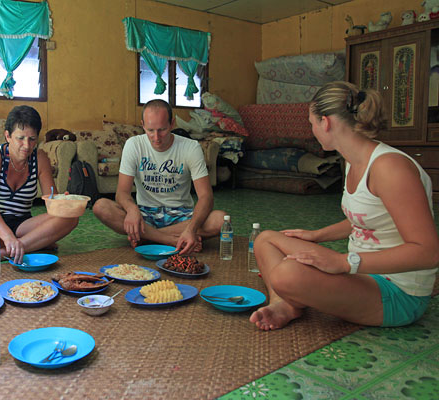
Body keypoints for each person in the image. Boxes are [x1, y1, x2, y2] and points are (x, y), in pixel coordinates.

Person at [249, 81, 439, 331]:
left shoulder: (390, 168)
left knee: (287, 274)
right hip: (358, 273)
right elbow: (368, 219)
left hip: (397, 292)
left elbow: (428, 253)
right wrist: (317, 236)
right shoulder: (353, 160)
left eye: (311, 123)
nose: (313, 130)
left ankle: (289, 298)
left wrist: (346, 262)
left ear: (325, 122)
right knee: (265, 240)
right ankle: (285, 304)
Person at [92, 99, 225, 254]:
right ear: (142, 125)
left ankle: (147, 237)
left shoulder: (191, 147)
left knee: (221, 220)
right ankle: (172, 240)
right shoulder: (133, 145)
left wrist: (191, 228)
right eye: (150, 130)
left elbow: (206, 197)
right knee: (101, 206)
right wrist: (132, 209)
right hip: (144, 215)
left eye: (162, 130)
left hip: (181, 214)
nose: (156, 137)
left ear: (172, 124)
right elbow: (122, 192)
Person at [0, 105, 78, 265]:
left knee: (71, 218)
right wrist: (8, 237)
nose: (26, 145)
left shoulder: (40, 159)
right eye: (20, 138)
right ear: (8, 136)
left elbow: (51, 203)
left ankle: (3, 252)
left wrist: (61, 203)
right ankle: (35, 243)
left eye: (32, 139)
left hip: (21, 224)